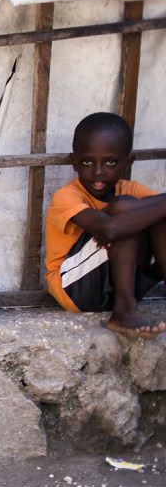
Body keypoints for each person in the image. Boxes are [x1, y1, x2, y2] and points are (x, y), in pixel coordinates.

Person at [45, 112, 166, 338]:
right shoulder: (66, 197)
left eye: (110, 162)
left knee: (151, 213)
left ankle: (125, 305)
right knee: (125, 210)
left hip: (118, 285)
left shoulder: (131, 188)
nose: (98, 172)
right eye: (87, 162)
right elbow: (110, 229)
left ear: (127, 163)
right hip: (76, 288)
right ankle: (124, 312)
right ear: (74, 162)